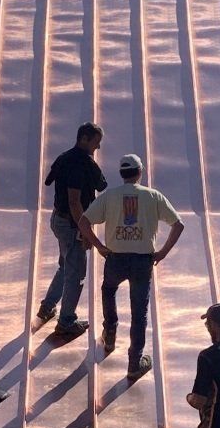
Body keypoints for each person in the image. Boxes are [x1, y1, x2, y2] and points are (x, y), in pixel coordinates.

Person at [81, 154, 183, 381]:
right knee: (139, 312)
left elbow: (84, 221)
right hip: (142, 261)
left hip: (115, 258)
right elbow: (178, 224)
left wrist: (99, 246)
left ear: (121, 174)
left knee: (109, 289)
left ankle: (110, 333)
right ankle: (134, 363)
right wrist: (163, 252)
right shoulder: (153, 196)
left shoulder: (110, 196)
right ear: (140, 172)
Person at [38, 122, 107, 340]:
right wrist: (85, 230)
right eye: (95, 142)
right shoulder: (81, 164)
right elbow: (75, 201)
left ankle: (47, 307)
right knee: (76, 273)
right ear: (84, 139)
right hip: (72, 225)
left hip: (59, 220)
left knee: (65, 265)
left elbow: (49, 180)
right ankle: (66, 321)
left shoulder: (64, 157)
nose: (97, 147)